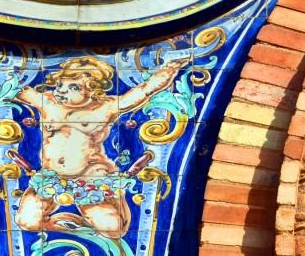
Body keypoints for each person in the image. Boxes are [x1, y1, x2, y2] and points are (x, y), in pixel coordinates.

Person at [12, 55, 187, 239]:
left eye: (73, 87)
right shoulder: (47, 102)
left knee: (114, 230)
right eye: (60, 85)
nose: (62, 91)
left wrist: (169, 70)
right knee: (26, 221)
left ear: (92, 90)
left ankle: (114, 203)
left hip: (89, 178)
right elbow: (14, 88)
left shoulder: (105, 108)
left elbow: (144, 91)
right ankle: (70, 226)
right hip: (51, 178)